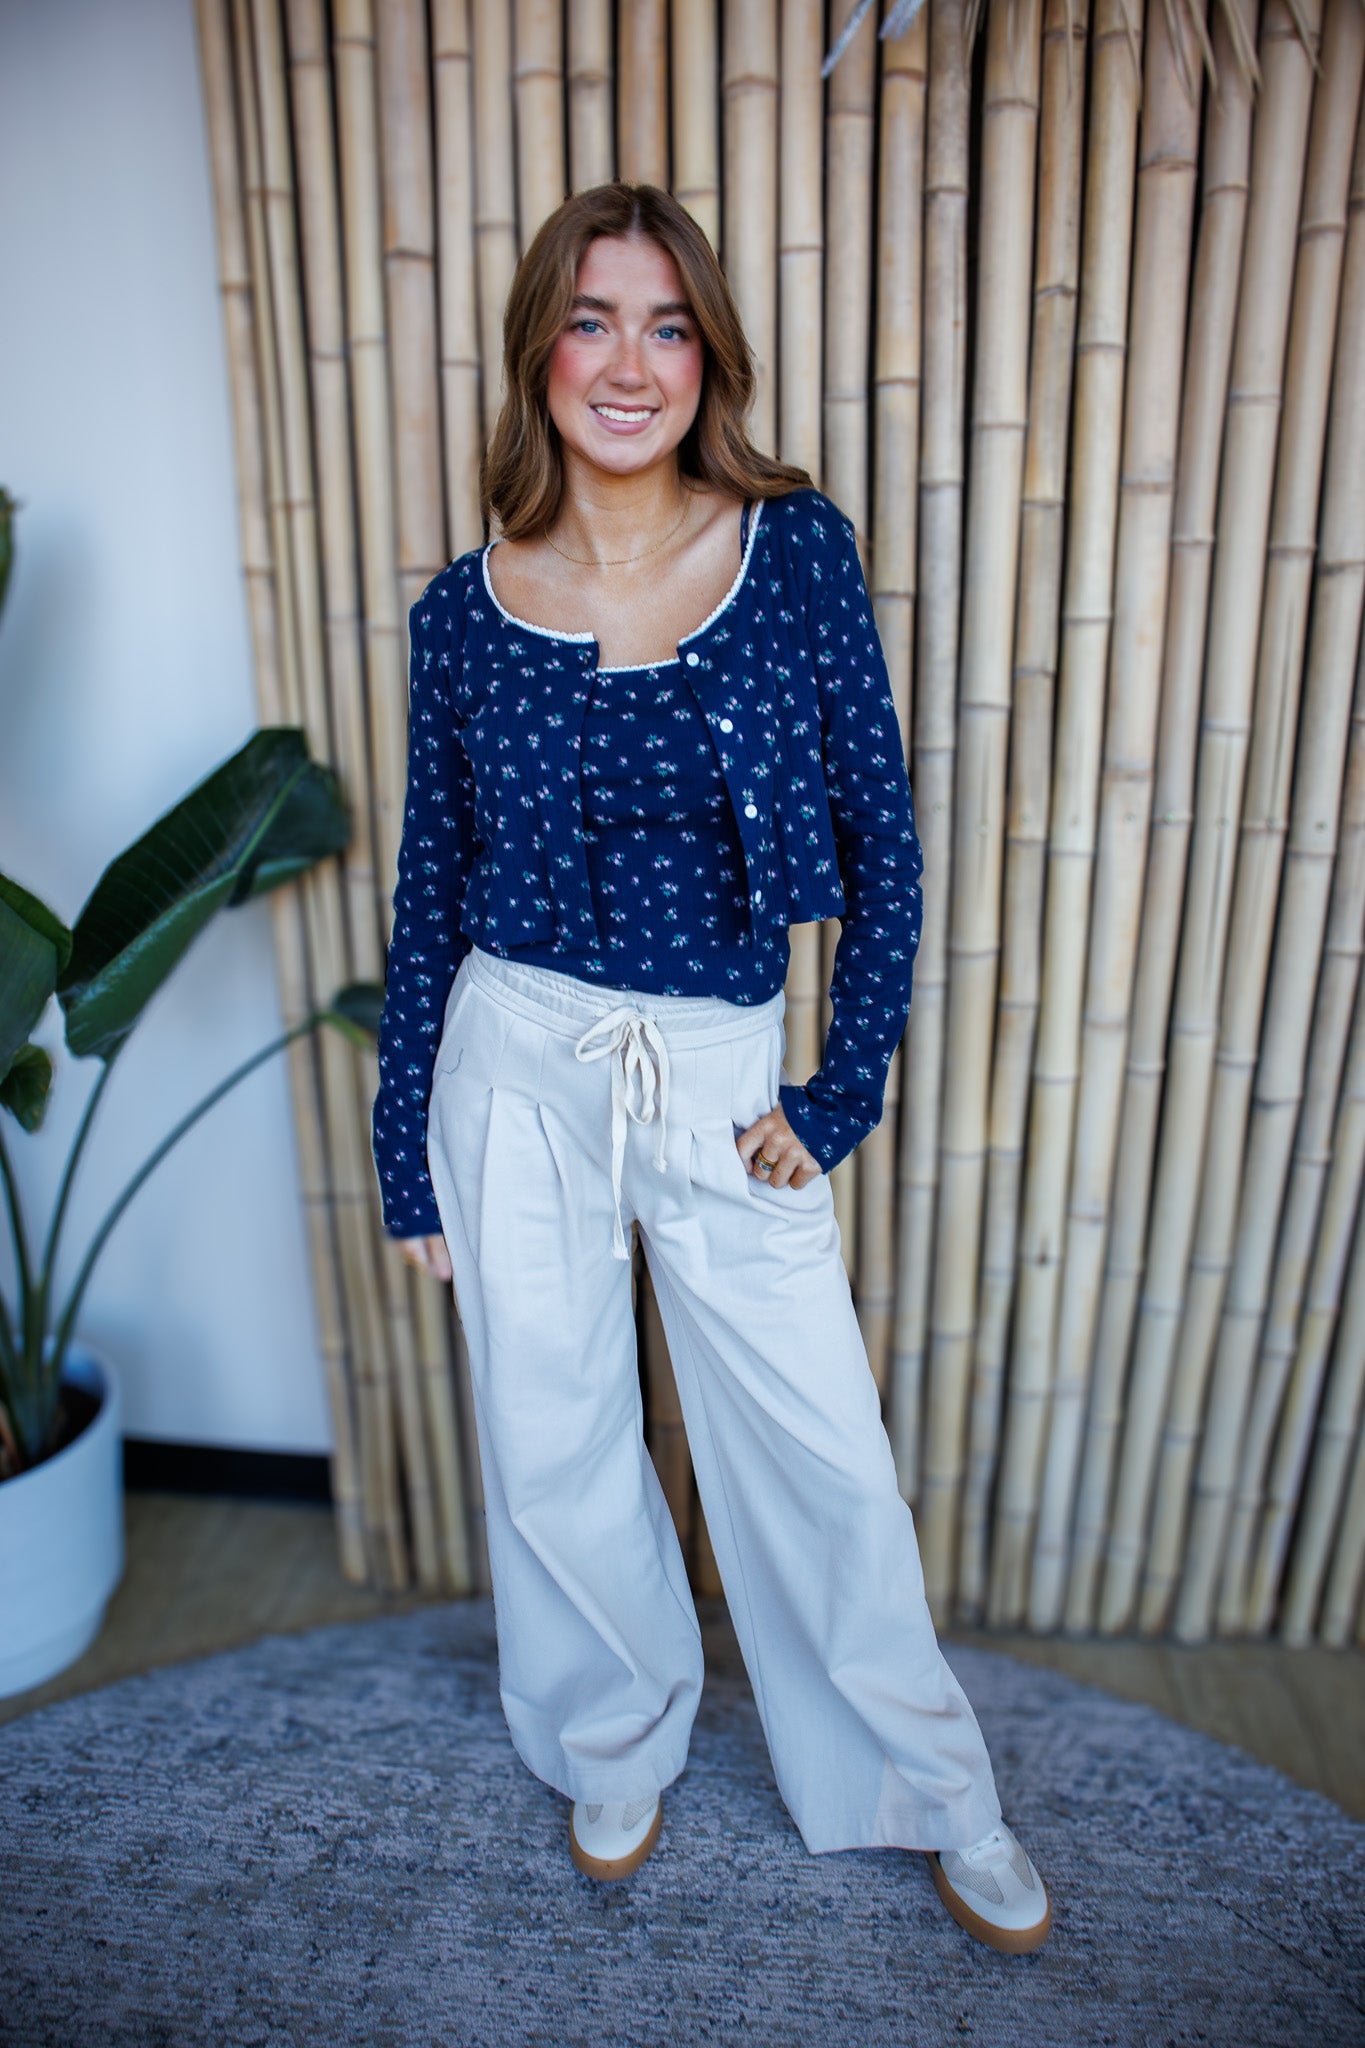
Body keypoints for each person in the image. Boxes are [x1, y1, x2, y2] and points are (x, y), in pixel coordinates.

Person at [372, 180, 1051, 1955]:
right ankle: (613, 1736)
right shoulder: (464, 611)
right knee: (554, 1433)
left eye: (668, 324)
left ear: (708, 358)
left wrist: (836, 1098)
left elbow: (882, 845)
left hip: (716, 1072)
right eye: (593, 319)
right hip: (512, 1067)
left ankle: (927, 1789)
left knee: (816, 1451)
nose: (630, 360)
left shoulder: (790, 552)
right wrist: (402, 1154)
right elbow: (429, 891)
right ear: (539, 350)